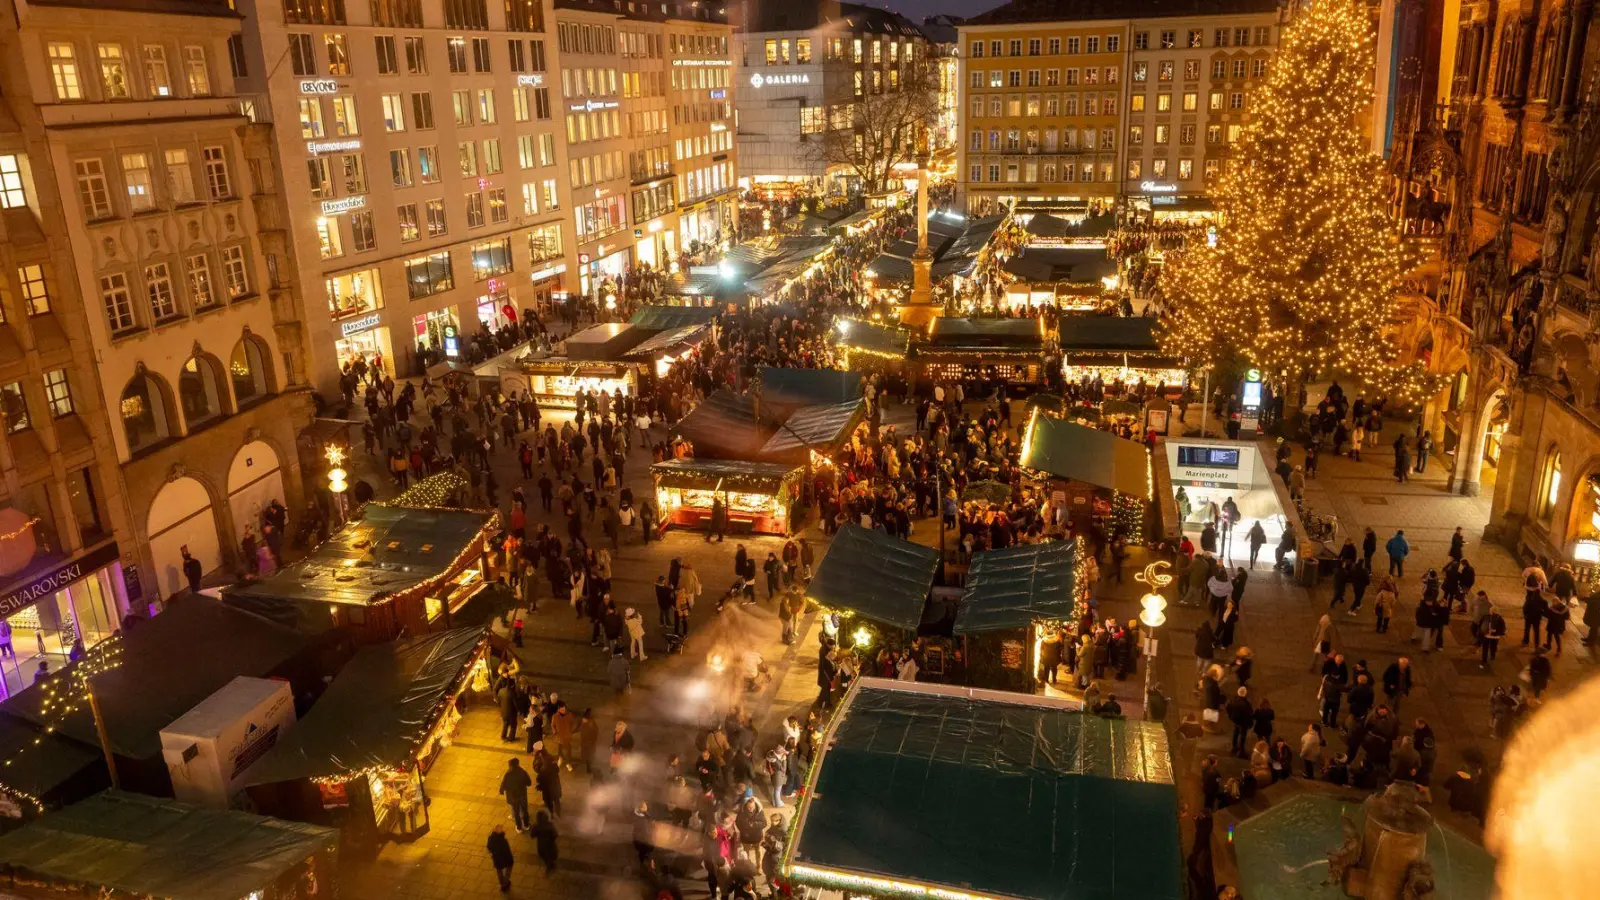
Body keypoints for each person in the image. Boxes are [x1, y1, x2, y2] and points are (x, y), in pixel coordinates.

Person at [499, 758, 533, 832]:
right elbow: (529, 783)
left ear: (510, 765)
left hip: (513, 797)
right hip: (522, 795)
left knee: (516, 812)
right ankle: (526, 825)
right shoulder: (522, 772)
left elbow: (504, 785)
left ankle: (519, 827)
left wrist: (501, 791)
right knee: (525, 810)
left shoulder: (508, 774)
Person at [1226, 687, 1254, 757]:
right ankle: (1241, 751)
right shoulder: (1246, 704)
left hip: (1236, 721)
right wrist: (1250, 723)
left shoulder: (1233, 701)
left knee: (1235, 733)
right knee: (1242, 736)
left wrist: (1230, 716)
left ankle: (1234, 747)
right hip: (1243, 723)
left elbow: (1228, 707)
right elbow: (1250, 714)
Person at [487, 824, 515, 892]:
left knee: (499, 872)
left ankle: (502, 883)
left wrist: (492, 854)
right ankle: (505, 883)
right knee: (508, 870)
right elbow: (507, 852)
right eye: (501, 829)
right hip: (505, 859)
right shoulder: (503, 841)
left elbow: (488, 847)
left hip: (497, 860)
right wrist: (511, 860)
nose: (503, 830)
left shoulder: (490, 838)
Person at [530, 810, 559, 874]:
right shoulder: (550, 825)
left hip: (541, 846)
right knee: (552, 855)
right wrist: (552, 839)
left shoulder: (536, 826)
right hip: (551, 845)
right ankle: (551, 864)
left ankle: (549, 865)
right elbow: (555, 834)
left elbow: (532, 835)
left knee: (545, 857)